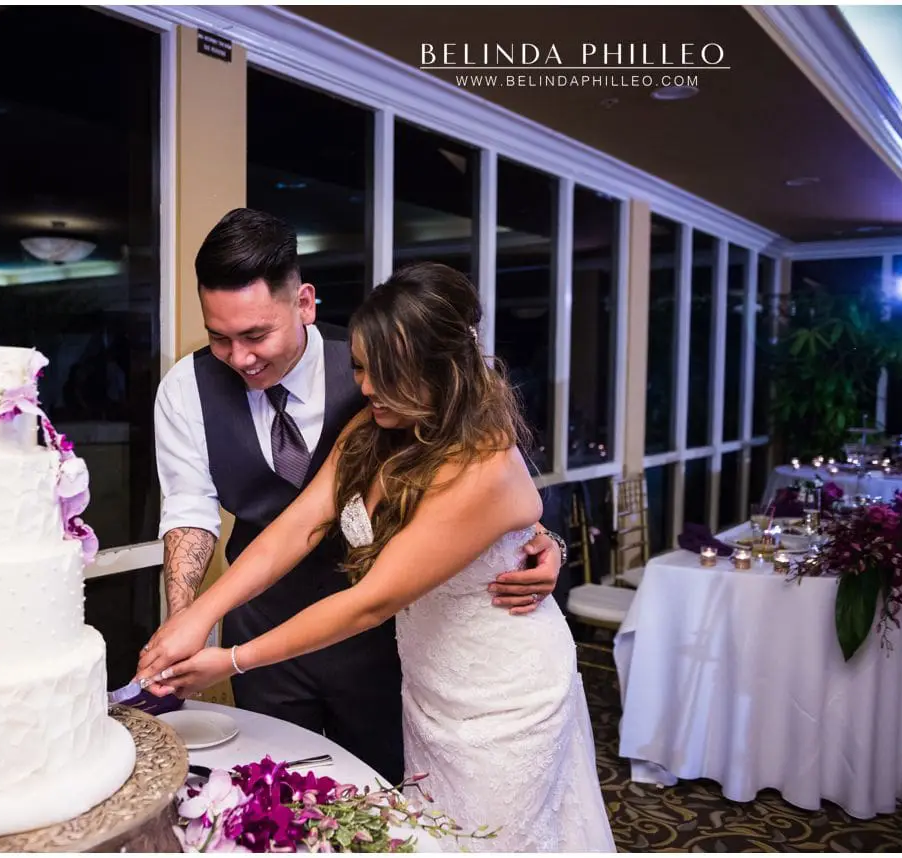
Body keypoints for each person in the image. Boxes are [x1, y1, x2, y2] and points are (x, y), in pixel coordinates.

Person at [139, 261, 615, 852]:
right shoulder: (377, 426)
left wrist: (231, 661)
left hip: (502, 695)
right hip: (430, 682)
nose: (364, 388)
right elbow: (299, 525)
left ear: (439, 372)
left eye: (383, 374)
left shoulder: (484, 464)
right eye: (361, 368)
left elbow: (372, 600)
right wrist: (199, 612)